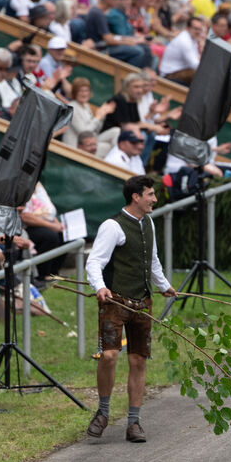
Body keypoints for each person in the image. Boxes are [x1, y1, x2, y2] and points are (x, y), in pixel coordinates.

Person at [85, 175, 176, 443]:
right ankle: (102, 413)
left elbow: (153, 260)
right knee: (109, 356)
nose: (155, 199)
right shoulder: (113, 226)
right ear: (136, 197)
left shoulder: (148, 222)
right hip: (115, 302)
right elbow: (94, 262)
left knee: (138, 360)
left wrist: (163, 285)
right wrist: (100, 287)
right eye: (150, 194)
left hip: (143, 302)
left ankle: (134, 422)